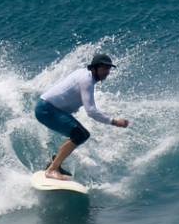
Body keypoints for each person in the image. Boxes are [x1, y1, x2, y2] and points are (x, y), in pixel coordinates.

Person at [34, 52, 129, 180]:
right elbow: (91, 111)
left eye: (109, 69)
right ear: (95, 67)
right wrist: (114, 121)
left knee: (80, 134)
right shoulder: (87, 80)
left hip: (49, 108)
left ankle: (54, 164)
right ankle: (52, 169)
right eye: (105, 68)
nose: (107, 72)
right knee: (80, 134)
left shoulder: (84, 74)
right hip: (47, 109)